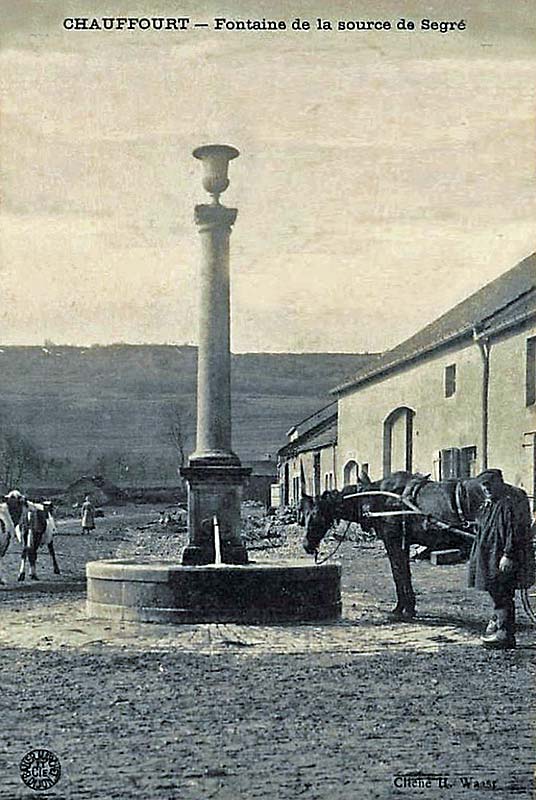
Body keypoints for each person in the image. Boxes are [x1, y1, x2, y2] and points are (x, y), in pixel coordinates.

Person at [469, 469, 535, 650]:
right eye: (483, 486)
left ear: (499, 483)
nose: (486, 489)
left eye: (489, 485)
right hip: (490, 554)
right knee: (495, 590)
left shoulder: (509, 502)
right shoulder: (491, 502)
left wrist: (508, 555)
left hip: (502, 556)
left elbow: (515, 532)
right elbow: (486, 524)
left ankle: (505, 634)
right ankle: (499, 624)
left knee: (503, 592)